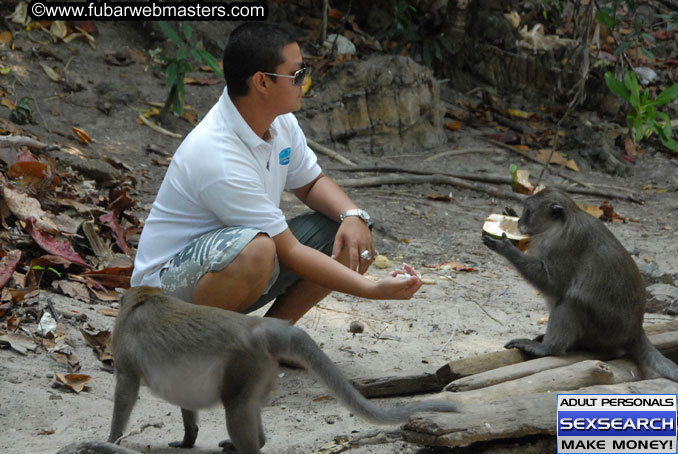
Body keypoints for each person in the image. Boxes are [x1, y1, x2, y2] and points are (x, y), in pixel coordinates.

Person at [130, 22, 422, 323]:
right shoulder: (216, 154)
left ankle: (273, 338)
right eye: (297, 75)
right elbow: (291, 251)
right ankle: (203, 351)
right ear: (262, 82)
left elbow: (311, 184)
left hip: (221, 272)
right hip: (157, 308)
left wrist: (353, 215)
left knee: (342, 233)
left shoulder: (279, 122)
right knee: (256, 252)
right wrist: (373, 290)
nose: (305, 83)